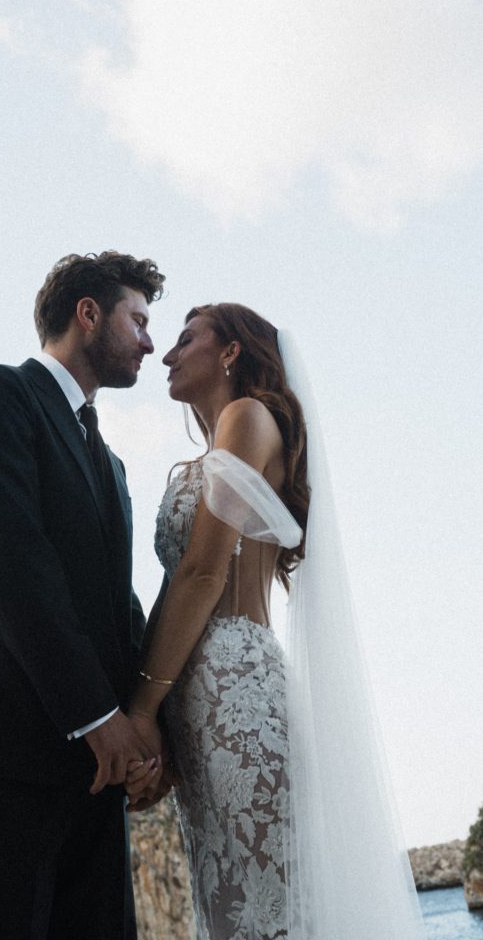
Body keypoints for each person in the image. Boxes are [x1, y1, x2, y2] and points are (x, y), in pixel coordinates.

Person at [126, 303, 425, 940]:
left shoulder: (249, 416)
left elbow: (203, 575)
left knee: (267, 910)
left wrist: (142, 710)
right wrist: (157, 718)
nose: (168, 355)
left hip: (238, 691)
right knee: (226, 904)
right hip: (193, 702)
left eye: (186, 339)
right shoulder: (208, 454)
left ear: (230, 352)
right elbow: (174, 588)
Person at [0, 251, 165, 940]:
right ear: (88, 314)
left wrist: (143, 730)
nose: (149, 342)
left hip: (95, 770)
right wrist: (96, 715)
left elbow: (117, 603)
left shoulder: (110, 461)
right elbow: (12, 565)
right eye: (138, 320)